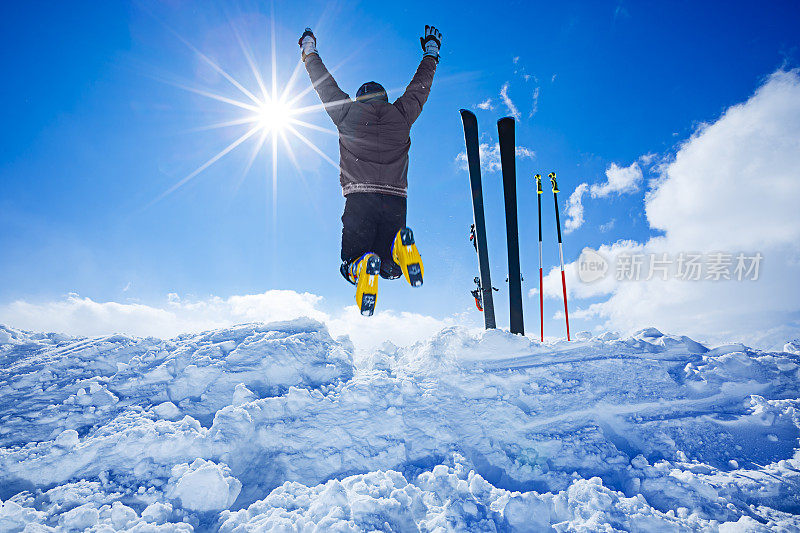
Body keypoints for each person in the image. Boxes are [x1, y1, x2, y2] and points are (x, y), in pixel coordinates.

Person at [299, 25, 442, 316]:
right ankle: (399, 251)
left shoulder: (347, 113)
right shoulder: (401, 114)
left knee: (353, 258)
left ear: (359, 98)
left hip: (359, 198)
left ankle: (361, 264)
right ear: (384, 98)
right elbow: (419, 89)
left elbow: (323, 85)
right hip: (395, 199)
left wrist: (309, 51)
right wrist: (431, 54)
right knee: (390, 268)